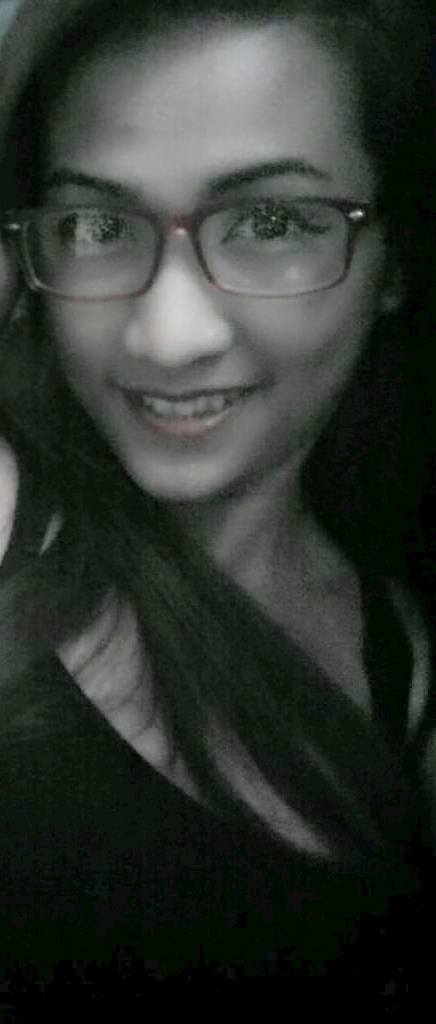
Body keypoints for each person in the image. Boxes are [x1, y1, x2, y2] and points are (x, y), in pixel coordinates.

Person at [0, 0, 434, 999]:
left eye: (272, 222)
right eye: (95, 226)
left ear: (397, 262)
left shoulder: (402, 669)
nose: (169, 337)